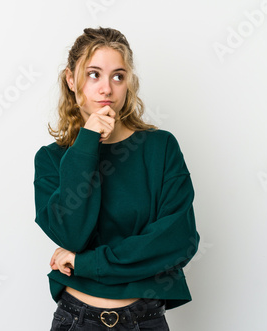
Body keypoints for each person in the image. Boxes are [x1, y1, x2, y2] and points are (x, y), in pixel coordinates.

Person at [33, 27, 200, 330]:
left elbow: (178, 241)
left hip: (145, 319)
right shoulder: (52, 159)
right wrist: (86, 145)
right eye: (93, 74)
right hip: (77, 319)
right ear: (72, 80)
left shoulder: (159, 148)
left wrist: (86, 263)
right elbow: (71, 235)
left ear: (128, 83)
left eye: (118, 76)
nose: (106, 89)